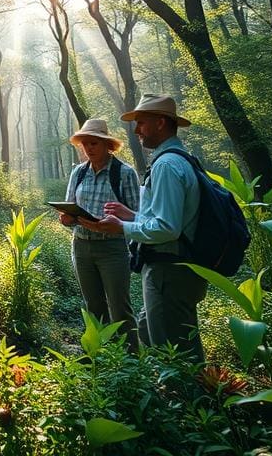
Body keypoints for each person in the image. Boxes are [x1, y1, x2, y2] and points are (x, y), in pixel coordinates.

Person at [88, 94, 208, 362]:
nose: (137, 130)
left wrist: (122, 228)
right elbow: (168, 217)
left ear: (161, 123)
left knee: (174, 350)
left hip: (168, 267)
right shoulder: (182, 158)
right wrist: (132, 216)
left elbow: (167, 228)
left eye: (141, 123)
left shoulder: (166, 165)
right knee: (162, 332)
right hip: (179, 266)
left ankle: (190, 399)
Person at [59, 119, 140, 349]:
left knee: (119, 307)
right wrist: (66, 218)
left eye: (94, 143)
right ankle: (99, 357)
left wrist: (114, 222)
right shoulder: (78, 173)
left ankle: (132, 361)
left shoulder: (124, 173)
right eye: (85, 144)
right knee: (93, 305)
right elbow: (70, 206)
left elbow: (137, 215)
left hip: (113, 249)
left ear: (107, 145)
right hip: (82, 246)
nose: (88, 148)